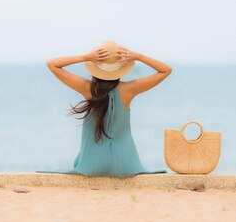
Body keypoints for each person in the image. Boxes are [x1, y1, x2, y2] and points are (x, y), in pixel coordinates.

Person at [36, 40, 172, 177]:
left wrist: (86, 57)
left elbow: (52, 64)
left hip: (91, 165)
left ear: (95, 68)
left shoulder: (87, 88)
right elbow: (166, 70)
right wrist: (138, 56)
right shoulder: (130, 89)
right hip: (125, 165)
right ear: (121, 70)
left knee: (78, 159)